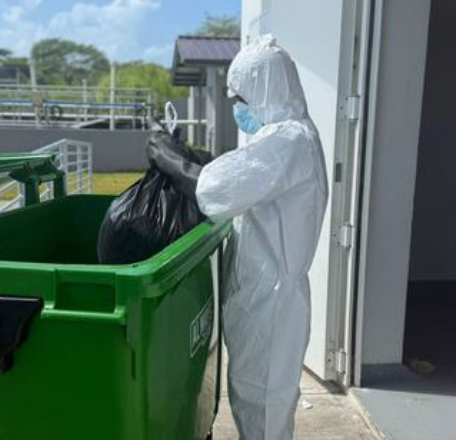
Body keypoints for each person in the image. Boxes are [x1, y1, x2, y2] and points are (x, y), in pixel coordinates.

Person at [149, 35, 328, 439]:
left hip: (271, 301)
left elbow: (213, 188)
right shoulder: (281, 138)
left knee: (263, 405)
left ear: (266, 88)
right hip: (263, 296)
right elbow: (233, 171)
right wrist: (187, 156)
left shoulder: (289, 141)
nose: (237, 107)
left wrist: (165, 155)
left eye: (240, 96)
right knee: (255, 401)